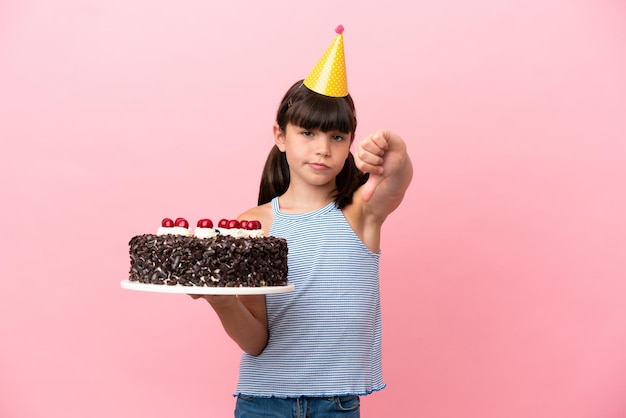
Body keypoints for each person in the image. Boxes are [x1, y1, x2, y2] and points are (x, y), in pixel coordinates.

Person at [191, 28, 413, 418]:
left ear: (350, 143)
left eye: (337, 136)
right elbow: (255, 341)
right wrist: (221, 300)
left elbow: (396, 182)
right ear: (280, 135)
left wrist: (396, 152)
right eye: (307, 132)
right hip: (262, 404)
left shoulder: (360, 212)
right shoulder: (252, 227)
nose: (322, 148)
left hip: (336, 405)